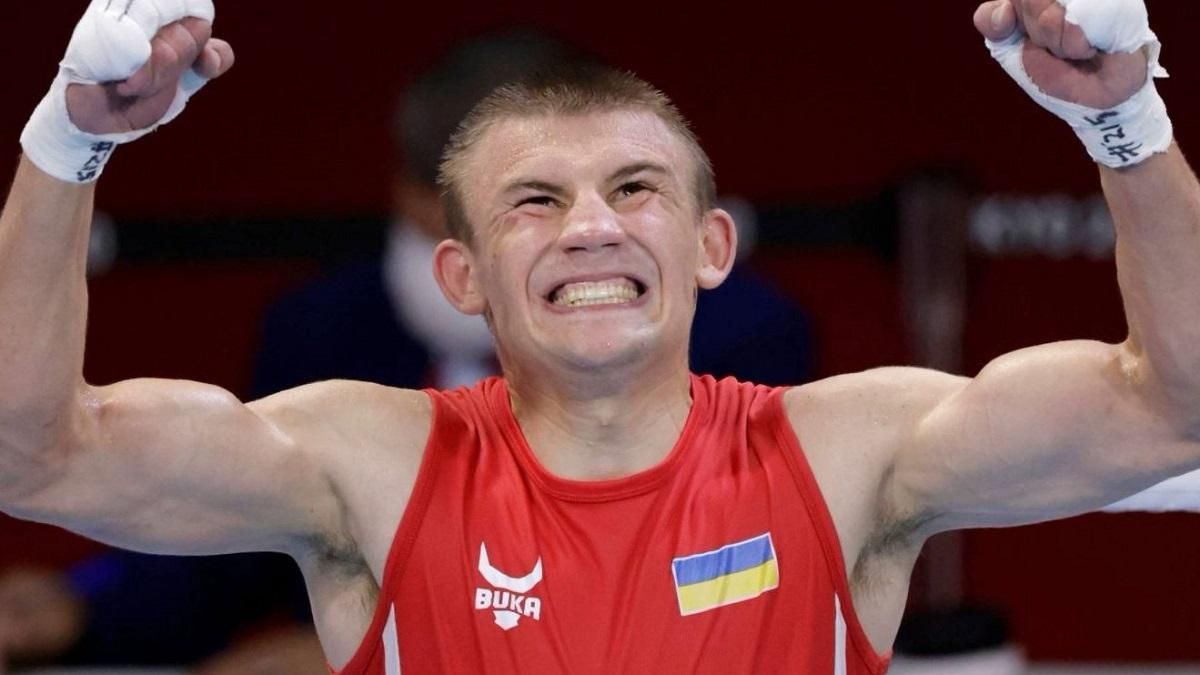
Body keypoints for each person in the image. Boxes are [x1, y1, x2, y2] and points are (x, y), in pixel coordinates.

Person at [1, 1, 1197, 673]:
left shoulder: (850, 454)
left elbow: (1172, 408)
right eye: (535, 201)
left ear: (712, 247)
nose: (590, 227)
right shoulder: (367, 465)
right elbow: (35, 456)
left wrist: (1127, 125)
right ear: (462, 274)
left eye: (635, 189)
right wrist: (67, 145)